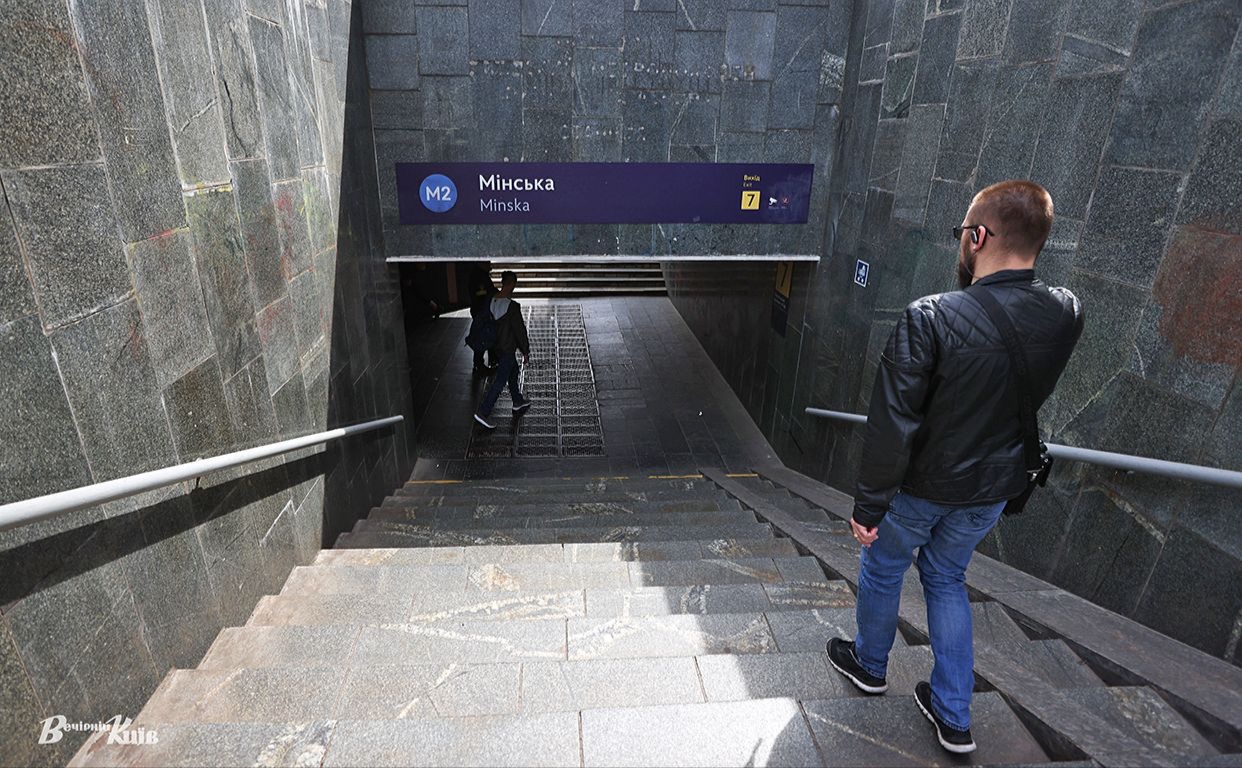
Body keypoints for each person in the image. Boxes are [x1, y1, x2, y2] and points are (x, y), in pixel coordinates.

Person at [824, 180, 1084, 754]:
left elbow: (893, 422)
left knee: (884, 569)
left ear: (979, 237)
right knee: (946, 578)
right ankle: (953, 715)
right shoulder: (1066, 313)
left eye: (964, 232)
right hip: (991, 490)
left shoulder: (931, 317)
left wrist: (869, 505)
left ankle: (869, 665)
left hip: (921, 488)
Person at [473, 271, 532, 429]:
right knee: (500, 381)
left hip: (496, 346)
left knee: (513, 371)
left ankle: (517, 401)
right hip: (507, 347)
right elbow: (519, 331)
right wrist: (525, 351)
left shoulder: (491, 300)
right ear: (512, 284)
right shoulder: (512, 307)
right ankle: (483, 412)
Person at [466, 266, 498, 375]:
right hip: (481, 311)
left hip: (481, 310)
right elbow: (481, 294)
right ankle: (479, 364)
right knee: (482, 336)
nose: (490, 265)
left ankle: (491, 359)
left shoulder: (479, 275)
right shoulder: (479, 276)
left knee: (487, 334)